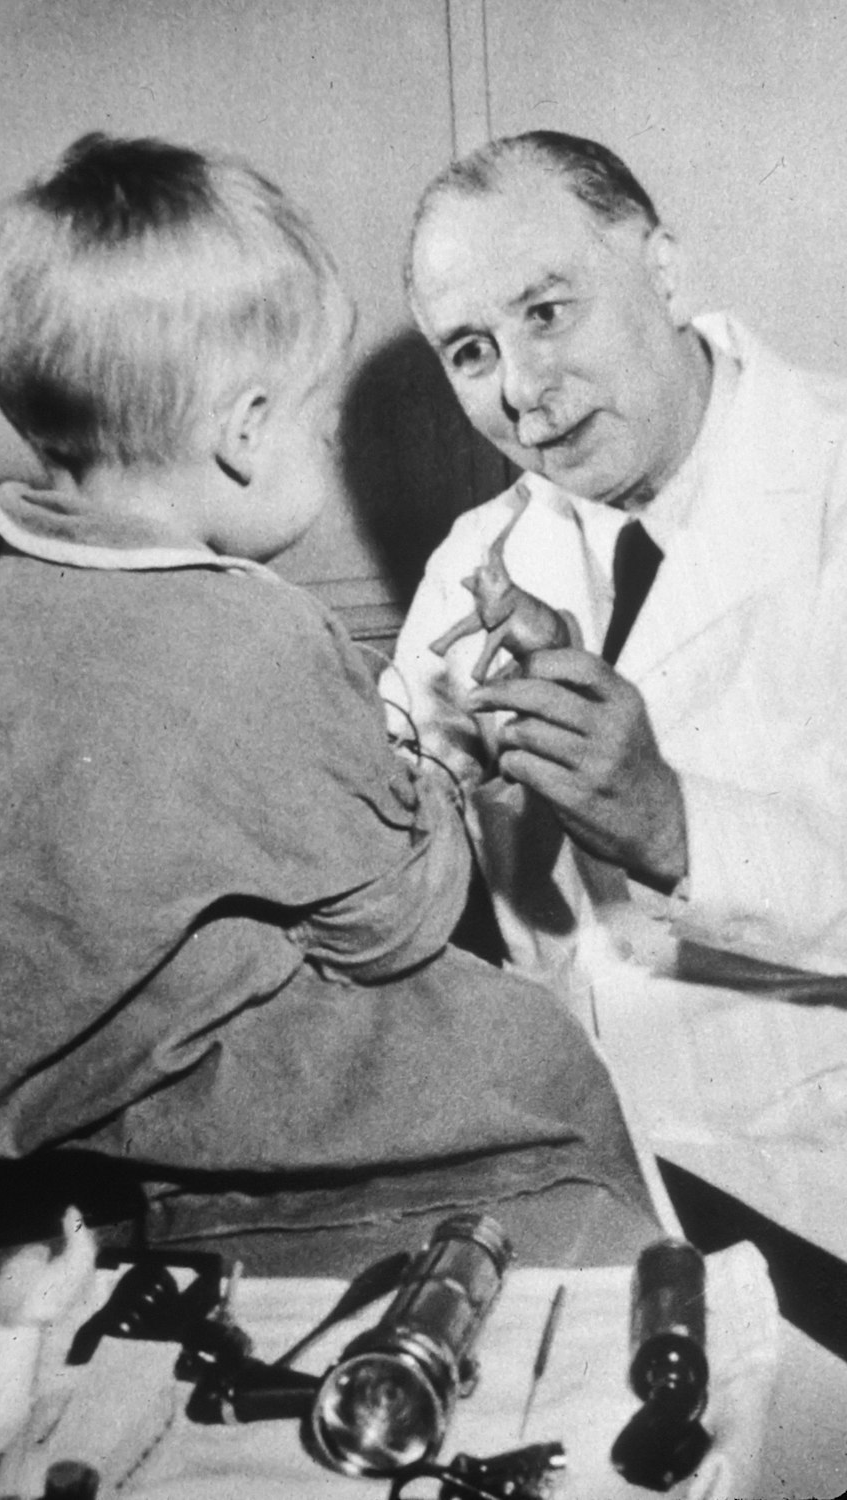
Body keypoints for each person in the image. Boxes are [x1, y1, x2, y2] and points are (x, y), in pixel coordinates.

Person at [0, 133, 659, 1275]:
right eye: (319, 423)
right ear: (242, 432)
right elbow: (390, 924)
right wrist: (434, 784)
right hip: (206, 1118)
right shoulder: (261, 635)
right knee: (533, 1061)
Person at [385, 130, 847, 1255]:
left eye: (547, 311)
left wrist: (670, 821)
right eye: (470, 350)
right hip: (585, 1185)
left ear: (661, 264)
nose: (523, 392)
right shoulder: (476, 565)